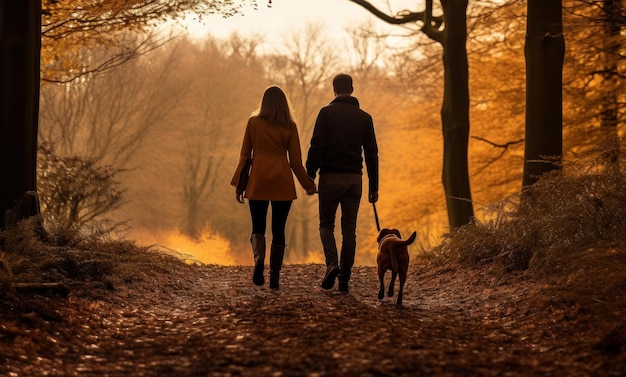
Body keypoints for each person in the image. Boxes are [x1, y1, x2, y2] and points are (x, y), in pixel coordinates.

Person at [230, 86, 317, 290]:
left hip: (258, 180)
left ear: (264, 102)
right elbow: (295, 162)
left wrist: (239, 186)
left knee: (258, 226)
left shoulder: (253, 123)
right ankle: (275, 275)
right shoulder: (290, 125)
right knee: (279, 229)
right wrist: (308, 185)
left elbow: (245, 156)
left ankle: (259, 261)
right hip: (282, 182)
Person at [306, 73, 379, 293]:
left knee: (326, 225)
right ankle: (344, 279)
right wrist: (374, 185)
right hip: (354, 180)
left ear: (334, 90)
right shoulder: (365, 118)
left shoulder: (326, 113)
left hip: (329, 178)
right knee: (350, 230)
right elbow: (372, 153)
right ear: (352, 89)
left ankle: (332, 264)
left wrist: (309, 174)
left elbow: (317, 145)